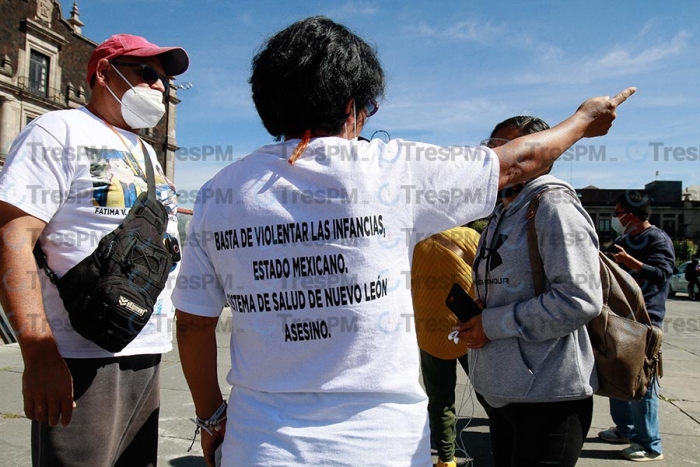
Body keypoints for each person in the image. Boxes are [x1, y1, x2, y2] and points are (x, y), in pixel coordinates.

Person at [172, 16, 634, 467]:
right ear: (352, 105)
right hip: (380, 442)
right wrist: (583, 120)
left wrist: (212, 419)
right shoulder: (392, 170)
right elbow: (516, 162)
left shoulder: (220, 192)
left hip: (260, 442)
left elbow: (194, 324)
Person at [0, 34, 188, 466]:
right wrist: (39, 351)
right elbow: (13, 238)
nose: (160, 87)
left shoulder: (146, 150)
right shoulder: (57, 130)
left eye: (163, 80)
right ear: (104, 73)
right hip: (78, 357)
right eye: (148, 74)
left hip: (144, 348)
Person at [457, 116, 603, 467]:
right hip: (502, 391)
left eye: (505, 148)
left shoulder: (554, 206)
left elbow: (579, 300)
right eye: (491, 146)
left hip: (549, 398)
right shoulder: (500, 212)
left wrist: (491, 324)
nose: (494, 156)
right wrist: (480, 309)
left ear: (541, 155)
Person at [597, 191, 674, 462]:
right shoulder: (623, 238)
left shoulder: (657, 238)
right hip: (621, 317)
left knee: (642, 380)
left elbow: (663, 274)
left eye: (618, 214)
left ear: (631, 215)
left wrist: (629, 261)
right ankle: (625, 429)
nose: (615, 219)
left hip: (646, 319)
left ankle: (650, 444)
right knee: (618, 373)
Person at [412, 226, 480, 467]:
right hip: (473, 329)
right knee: (489, 391)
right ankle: (508, 441)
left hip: (430, 334)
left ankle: (446, 459)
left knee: (440, 400)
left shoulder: (413, 246)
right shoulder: (469, 237)